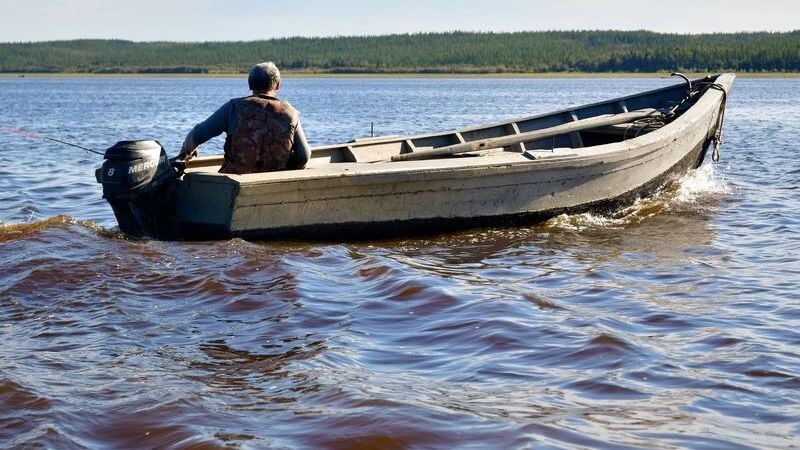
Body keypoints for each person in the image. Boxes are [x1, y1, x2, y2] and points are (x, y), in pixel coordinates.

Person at [178, 62, 310, 174]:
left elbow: (196, 135)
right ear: (277, 85)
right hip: (274, 182)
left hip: (234, 180)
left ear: (250, 85)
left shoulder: (233, 107)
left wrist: (185, 154)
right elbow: (303, 156)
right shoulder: (290, 113)